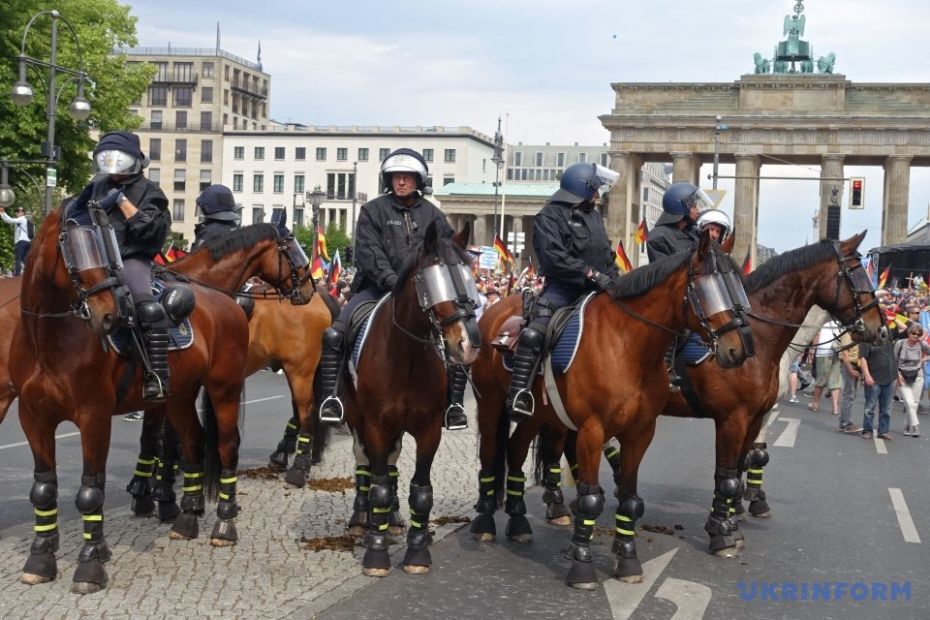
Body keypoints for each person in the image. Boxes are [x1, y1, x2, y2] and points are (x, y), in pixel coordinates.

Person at [315, 148, 469, 430]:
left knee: (460, 334)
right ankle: (332, 398)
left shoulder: (433, 214)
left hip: (427, 292)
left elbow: (448, 251)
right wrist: (392, 281)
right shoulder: (372, 210)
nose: (401, 182)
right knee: (334, 334)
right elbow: (368, 251)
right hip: (376, 288)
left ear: (418, 180)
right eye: (396, 177)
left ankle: (454, 404)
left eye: (407, 177)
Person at [506, 161, 620, 420]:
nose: (599, 193)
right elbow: (553, 257)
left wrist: (614, 278)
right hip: (563, 288)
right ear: (583, 187)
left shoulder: (593, 215)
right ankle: (520, 393)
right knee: (535, 333)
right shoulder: (549, 215)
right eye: (595, 188)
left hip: (599, 289)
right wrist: (590, 274)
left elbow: (605, 254)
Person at [71, 131, 171, 401]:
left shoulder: (150, 192)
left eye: (120, 159)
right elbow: (72, 216)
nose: (113, 166)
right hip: (92, 259)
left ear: (135, 161)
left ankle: (156, 375)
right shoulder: (97, 184)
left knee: (144, 303)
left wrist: (122, 202)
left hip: (130, 257)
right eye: (108, 159)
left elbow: (151, 231)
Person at [646, 182, 712, 262]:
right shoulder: (658, 236)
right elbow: (663, 270)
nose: (698, 211)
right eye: (694, 206)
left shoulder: (696, 232)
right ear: (679, 206)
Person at [893, 324, 930, 437]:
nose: (915, 336)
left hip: (918, 375)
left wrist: (923, 359)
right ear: (909, 333)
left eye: (918, 334)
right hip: (903, 375)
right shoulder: (900, 344)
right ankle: (915, 426)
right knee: (909, 402)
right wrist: (897, 375)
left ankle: (908, 425)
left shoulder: (922, 344)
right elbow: (893, 361)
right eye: (913, 333)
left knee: (914, 403)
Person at [859, 338, 896, 440]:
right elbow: (862, 358)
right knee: (869, 408)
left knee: (886, 409)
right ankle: (867, 430)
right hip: (874, 378)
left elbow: (905, 328)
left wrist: (894, 320)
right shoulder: (866, 339)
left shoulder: (888, 334)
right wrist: (867, 375)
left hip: (889, 378)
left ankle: (883, 431)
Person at [191, 184, 241, 250]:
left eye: (202, 209)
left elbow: (195, 258)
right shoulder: (236, 229)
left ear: (207, 209)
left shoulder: (209, 232)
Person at [807, 320, 842, 415]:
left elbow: (817, 335)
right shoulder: (837, 321)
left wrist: (812, 350)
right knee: (835, 381)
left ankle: (815, 404)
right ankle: (835, 408)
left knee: (820, 380)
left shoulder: (823, 320)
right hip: (836, 351)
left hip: (823, 352)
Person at [836, 330, 863, 433]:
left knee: (851, 395)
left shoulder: (857, 331)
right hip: (849, 365)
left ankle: (843, 423)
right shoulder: (848, 333)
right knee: (848, 394)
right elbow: (844, 352)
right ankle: (846, 424)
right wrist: (850, 369)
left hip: (855, 365)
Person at [0, 206, 32, 275]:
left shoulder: (21, 219)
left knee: (18, 258)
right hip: (28, 242)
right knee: (24, 259)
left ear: (23, 213)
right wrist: (2, 213)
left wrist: (3, 212)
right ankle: (30, 273)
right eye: (18, 212)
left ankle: (17, 275)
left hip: (21, 242)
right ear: (16, 213)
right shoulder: (24, 220)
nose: (19, 213)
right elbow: (8, 221)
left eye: (21, 212)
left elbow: (10, 220)